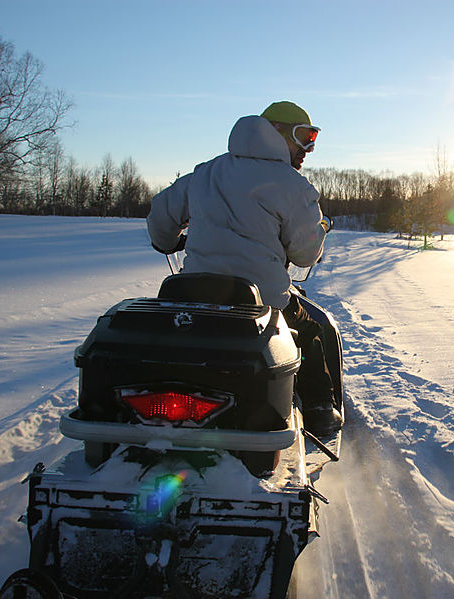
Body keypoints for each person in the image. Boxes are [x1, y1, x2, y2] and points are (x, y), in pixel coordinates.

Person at [146, 101, 342, 436]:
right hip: (262, 302)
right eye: (304, 137)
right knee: (309, 332)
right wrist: (320, 228)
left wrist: (169, 242)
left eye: (313, 139)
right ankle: (319, 411)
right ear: (276, 132)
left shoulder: (205, 172)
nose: (308, 149)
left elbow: (160, 220)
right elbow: (305, 254)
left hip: (194, 296)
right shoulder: (293, 186)